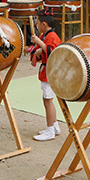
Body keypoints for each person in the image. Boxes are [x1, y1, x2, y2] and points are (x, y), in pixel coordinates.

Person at [29, 10, 62, 141]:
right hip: (47, 71)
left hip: (51, 72)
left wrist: (40, 43)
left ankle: (50, 130)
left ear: (44, 24)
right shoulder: (46, 35)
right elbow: (43, 50)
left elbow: (52, 52)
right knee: (47, 100)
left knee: (48, 101)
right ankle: (54, 126)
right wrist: (36, 51)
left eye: (37, 23)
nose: (36, 25)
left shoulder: (52, 36)